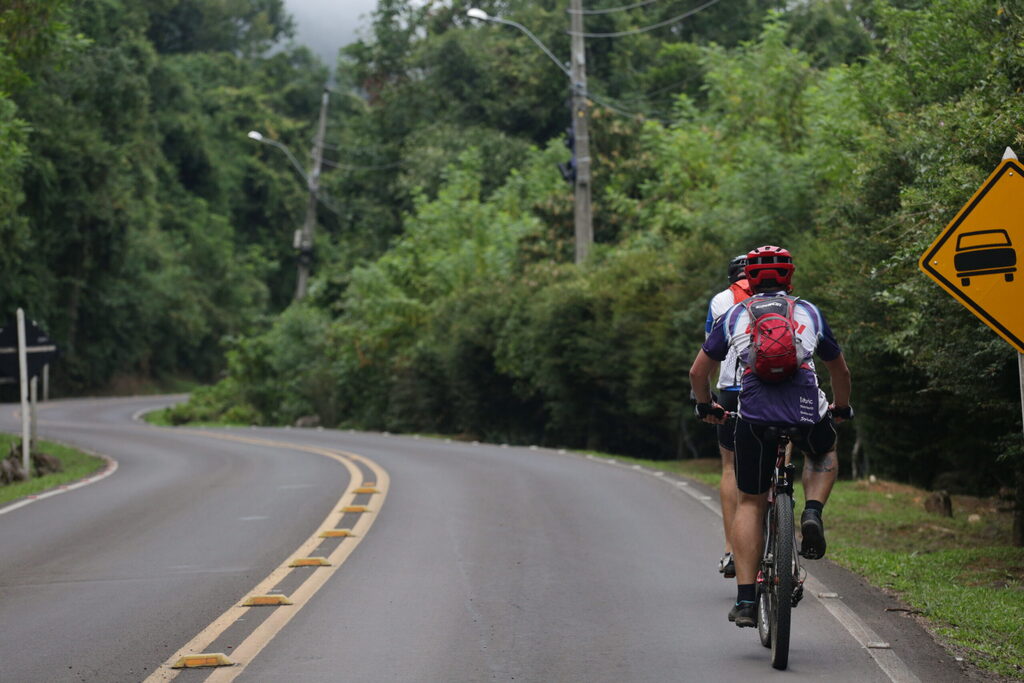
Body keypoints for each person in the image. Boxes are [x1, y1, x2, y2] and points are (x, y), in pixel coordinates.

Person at [688, 245, 853, 628]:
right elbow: (839, 371)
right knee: (822, 452)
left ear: (748, 279)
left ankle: (746, 599)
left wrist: (705, 406)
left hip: (755, 414)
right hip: (806, 409)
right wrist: (841, 408)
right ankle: (812, 512)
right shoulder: (808, 311)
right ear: (789, 277)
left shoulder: (733, 315)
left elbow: (699, 373)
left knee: (750, 501)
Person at [704, 254, 753, 579]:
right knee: (781, 458)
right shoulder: (789, 301)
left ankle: (731, 548)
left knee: (731, 466)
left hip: (733, 390)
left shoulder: (722, 300)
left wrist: (704, 401)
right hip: (780, 392)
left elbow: (708, 351)